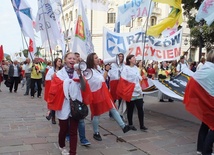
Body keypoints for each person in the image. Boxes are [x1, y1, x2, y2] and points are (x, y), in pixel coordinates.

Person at [47, 52, 89, 155]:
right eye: (70, 58)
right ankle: (62, 146)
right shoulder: (59, 74)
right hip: (63, 105)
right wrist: (66, 82)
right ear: (65, 60)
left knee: (74, 131)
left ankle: (73, 152)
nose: (72, 60)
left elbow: (83, 88)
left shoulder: (79, 72)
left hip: (75, 105)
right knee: (64, 129)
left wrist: (79, 76)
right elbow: (54, 90)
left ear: (77, 61)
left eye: (74, 58)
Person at [86, 53, 130, 141]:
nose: (98, 59)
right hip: (96, 93)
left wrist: (106, 70)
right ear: (91, 60)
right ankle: (96, 132)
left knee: (112, 107)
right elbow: (101, 79)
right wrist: (106, 70)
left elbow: (104, 78)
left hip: (102, 91)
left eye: (97, 57)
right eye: (96, 58)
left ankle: (123, 126)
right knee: (96, 114)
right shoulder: (88, 71)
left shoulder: (97, 68)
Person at [183, 50, 214, 155]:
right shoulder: (212, 69)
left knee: (205, 124)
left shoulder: (205, 68)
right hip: (210, 101)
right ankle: (207, 151)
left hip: (205, 100)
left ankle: (200, 149)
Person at [117, 54, 147, 131]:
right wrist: (129, 86)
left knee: (140, 108)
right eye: (133, 58)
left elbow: (138, 78)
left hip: (138, 91)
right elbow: (123, 80)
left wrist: (143, 77)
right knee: (130, 109)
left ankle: (142, 125)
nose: (135, 59)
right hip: (130, 92)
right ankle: (130, 124)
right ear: (129, 60)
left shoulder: (136, 68)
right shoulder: (126, 68)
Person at [44, 58, 63, 124]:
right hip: (54, 88)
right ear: (55, 62)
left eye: (60, 61)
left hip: (60, 89)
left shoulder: (62, 70)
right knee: (54, 103)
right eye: (58, 61)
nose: (60, 63)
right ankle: (53, 117)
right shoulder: (51, 70)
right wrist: (52, 76)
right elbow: (47, 78)